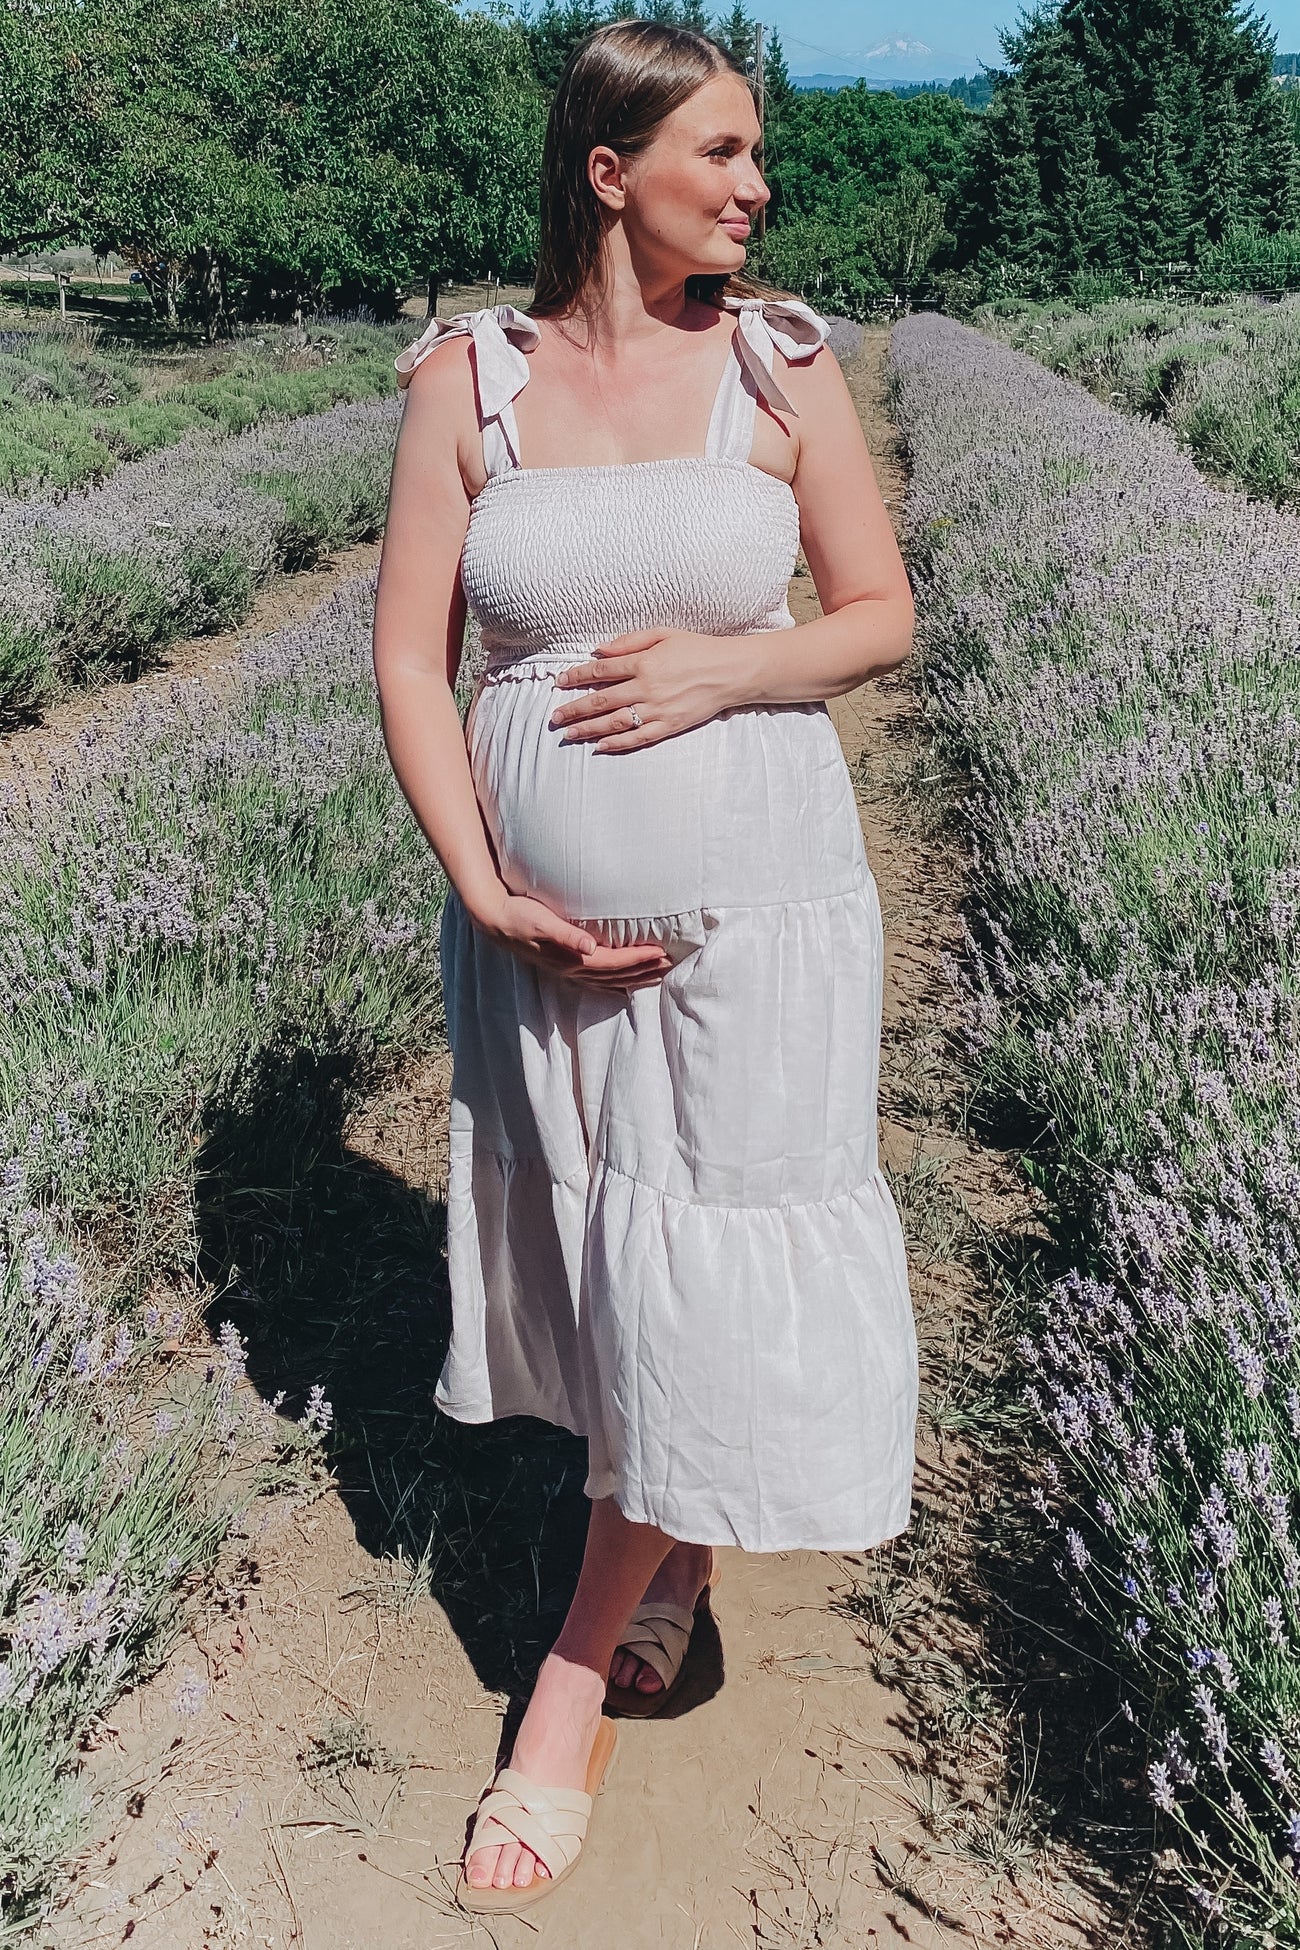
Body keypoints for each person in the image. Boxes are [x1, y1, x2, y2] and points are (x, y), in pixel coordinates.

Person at [372, 16, 918, 1913]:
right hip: (540, 942)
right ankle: (668, 1534)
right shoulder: (471, 380)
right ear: (610, 173)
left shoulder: (779, 367)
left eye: (758, 152)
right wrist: (485, 882)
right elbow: (409, 658)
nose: (758, 185)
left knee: (696, 1249)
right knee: (607, 1253)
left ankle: (564, 1696)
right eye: (722, 151)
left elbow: (877, 614)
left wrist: (722, 666)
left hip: (761, 912)